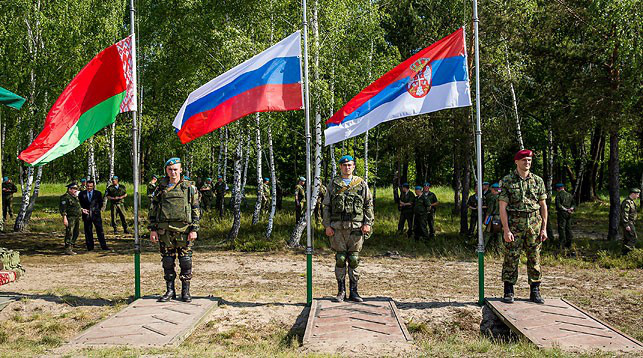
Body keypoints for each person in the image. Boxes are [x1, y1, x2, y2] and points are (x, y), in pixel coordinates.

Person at [499, 149, 548, 304]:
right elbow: (502, 207)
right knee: (511, 257)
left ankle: (535, 290)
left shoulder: (538, 181)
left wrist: (544, 228)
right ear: (516, 162)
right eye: (524, 160)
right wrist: (506, 229)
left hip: (534, 223)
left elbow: (543, 205)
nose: (527, 163)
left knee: (534, 257)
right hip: (515, 224)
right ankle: (508, 290)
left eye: (529, 160)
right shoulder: (507, 181)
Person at [323, 155, 373, 303]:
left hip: (356, 227)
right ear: (340, 167)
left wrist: (368, 223)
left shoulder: (361, 184)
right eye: (344, 165)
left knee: (354, 259)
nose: (347, 167)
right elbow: (326, 206)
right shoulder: (333, 184)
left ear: (353, 166)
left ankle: (354, 291)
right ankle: (341, 291)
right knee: (340, 259)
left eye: (350, 165)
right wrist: (327, 225)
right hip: (338, 228)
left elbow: (368, 204)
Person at [149, 157, 200, 302]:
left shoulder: (189, 187)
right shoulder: (160, 187)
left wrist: (194, 229)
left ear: (181, 170)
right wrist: (153, 229)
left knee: (185, 261)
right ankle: (170, 290)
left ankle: (185, 291)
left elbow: (195, 209)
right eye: (170, 169)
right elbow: (153, 209)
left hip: (184, 230)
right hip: (165, 232)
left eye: (175, 169)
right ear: (166, 170)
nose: (173, 172)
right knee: (167, 261)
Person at [78, 180, 109, 251]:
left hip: (96, 214)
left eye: (91, 186)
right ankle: (90, 247)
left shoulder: (98, 193)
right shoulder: (81, 194)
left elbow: (101, 203)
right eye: (88, 186)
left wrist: (96, 210)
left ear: (93, 186)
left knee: (100, 230)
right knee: (88, 231)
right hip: (86, 214)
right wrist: (83, 210)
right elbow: (80, 203)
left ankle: (103, 246)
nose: (89, 188)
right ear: (86, 186)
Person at [60, 183, 81, 255]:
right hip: (70, 218)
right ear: (70, 189)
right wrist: (64, 218)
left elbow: (75, 206)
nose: (76, 190)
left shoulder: (74, 197)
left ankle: (72, 245)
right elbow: (63, 209)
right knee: (70, 232)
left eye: (76, 189)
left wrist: (82, 210)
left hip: (76, 217)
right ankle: (68, 248)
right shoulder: (65, 197)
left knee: (76, 232)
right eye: (74, 189)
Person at [554, 183, 575, 251]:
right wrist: (571, 209)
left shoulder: (558, 195)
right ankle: (569, 243)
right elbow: (573, 204)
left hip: (562, 213)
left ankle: (562, 243)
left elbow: (558, 205)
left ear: (558, 189)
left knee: (561, 228)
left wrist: (566, 209)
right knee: (568, 228)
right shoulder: (569, 195)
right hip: (569, 213)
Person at [621, 188, 640, 255]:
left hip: (630, 222)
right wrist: (626, 225)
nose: (638, 196)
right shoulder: (627, 202)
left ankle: (623, 255)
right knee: (633, 238)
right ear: (633, 194)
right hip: (628, 223)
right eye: (637, 194)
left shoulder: (631, 201)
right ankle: (627, 252)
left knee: (627, 239)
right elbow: (624, 213)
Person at [483, 183, 502, 252]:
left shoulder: (492, 198)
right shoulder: (502, 198)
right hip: (501, 217)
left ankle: (482, 248)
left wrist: (486, 220)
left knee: (487, 233)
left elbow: (489, 211)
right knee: (499, 234)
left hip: (493, 217)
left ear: (493, 190)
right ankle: (499, 250)